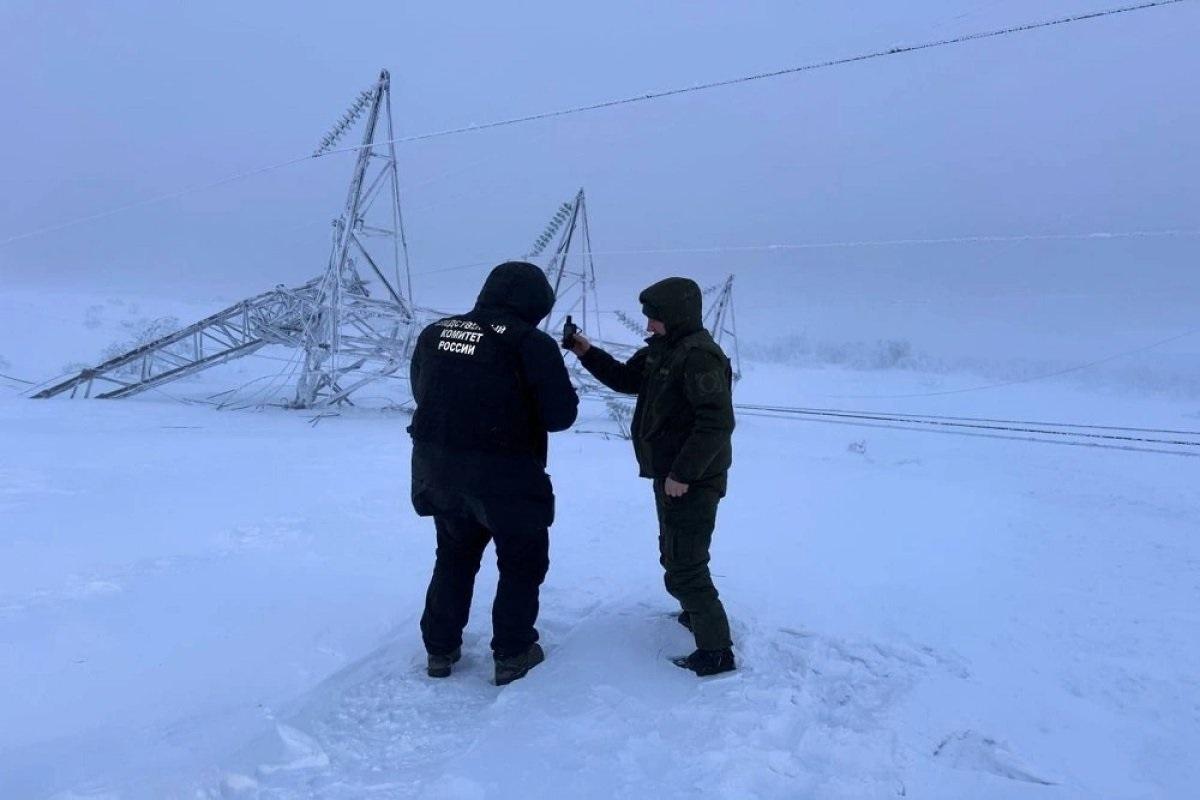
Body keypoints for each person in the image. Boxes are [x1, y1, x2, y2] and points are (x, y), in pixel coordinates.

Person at [408, 261, 579, 685]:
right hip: (506, 475)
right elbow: (559, 416)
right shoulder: (530, 343)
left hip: (440, 468)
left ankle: (439, 649)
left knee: (454, 555)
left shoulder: (436, 333)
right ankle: (513, 651)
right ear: (535, 304)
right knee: (522, 562)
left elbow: (422, 390)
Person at [567, 277, 736, 676]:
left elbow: (716, 423)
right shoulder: (666, 350)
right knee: (674, 551)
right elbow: (627, 380)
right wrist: (586, 351)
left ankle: (716, 652)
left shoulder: (699, 357)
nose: (648, 327)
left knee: (686, 563)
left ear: (675, 316)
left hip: (691, 479)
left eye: (654, 320)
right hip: (671, 476)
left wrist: (682, 473)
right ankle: (695, 612)